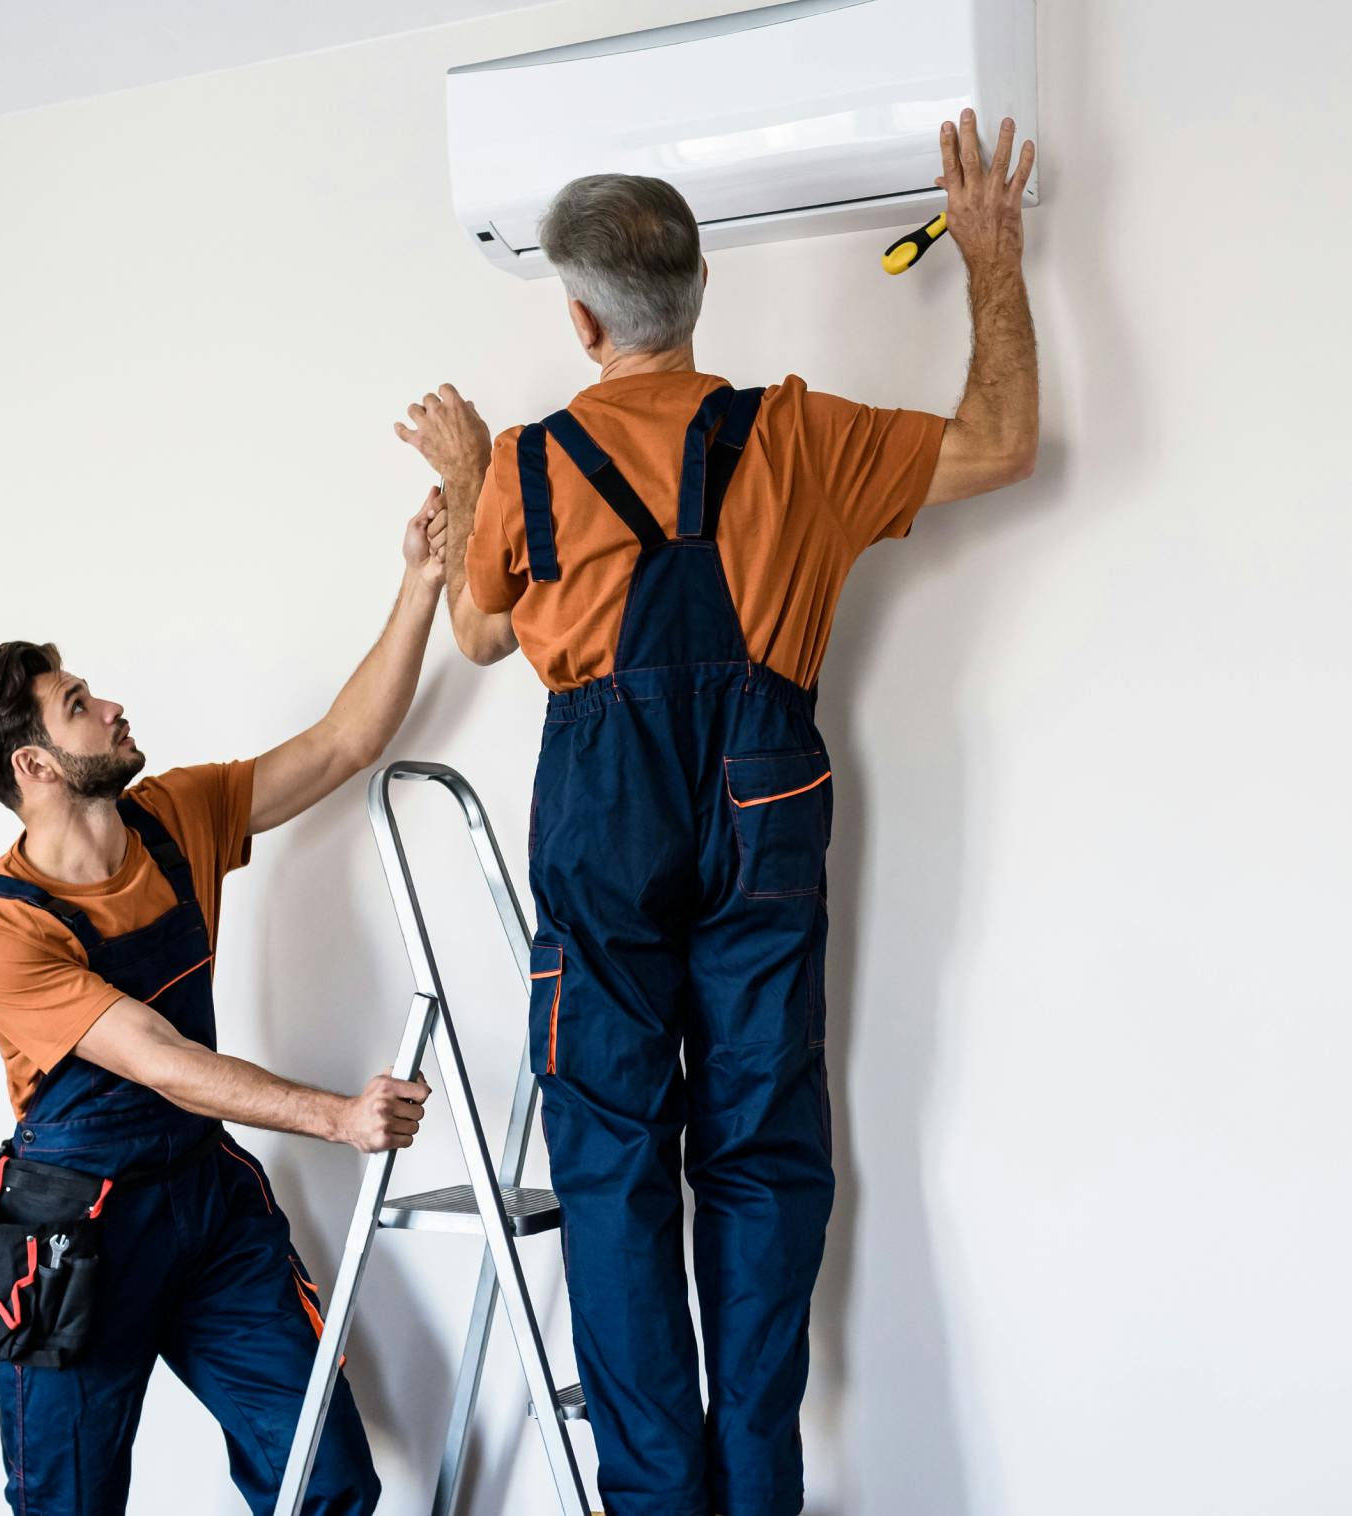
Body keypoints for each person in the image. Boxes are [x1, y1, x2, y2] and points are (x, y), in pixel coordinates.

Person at [392, 110, 1038, 1516]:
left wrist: (461, 478)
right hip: (766, 799)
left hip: (604, 813)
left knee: (615, 1171)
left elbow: (481, 639)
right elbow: (1001, 438)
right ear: (696, 295)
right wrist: (990, 256)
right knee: (759, 1150)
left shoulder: (525, 468)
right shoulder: (801, 437)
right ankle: (757, 1495)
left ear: (578, 321)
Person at [0, 494, 450, 1514]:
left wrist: (422, 581)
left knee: (326, 1473)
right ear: (35, 766)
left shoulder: (175, 817)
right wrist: (335, 1117)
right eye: (80, 701)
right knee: (67, 1505)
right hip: (73, 1234)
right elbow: (160, 1055)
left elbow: (345, 742)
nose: (112, 703)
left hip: (205, 1206)